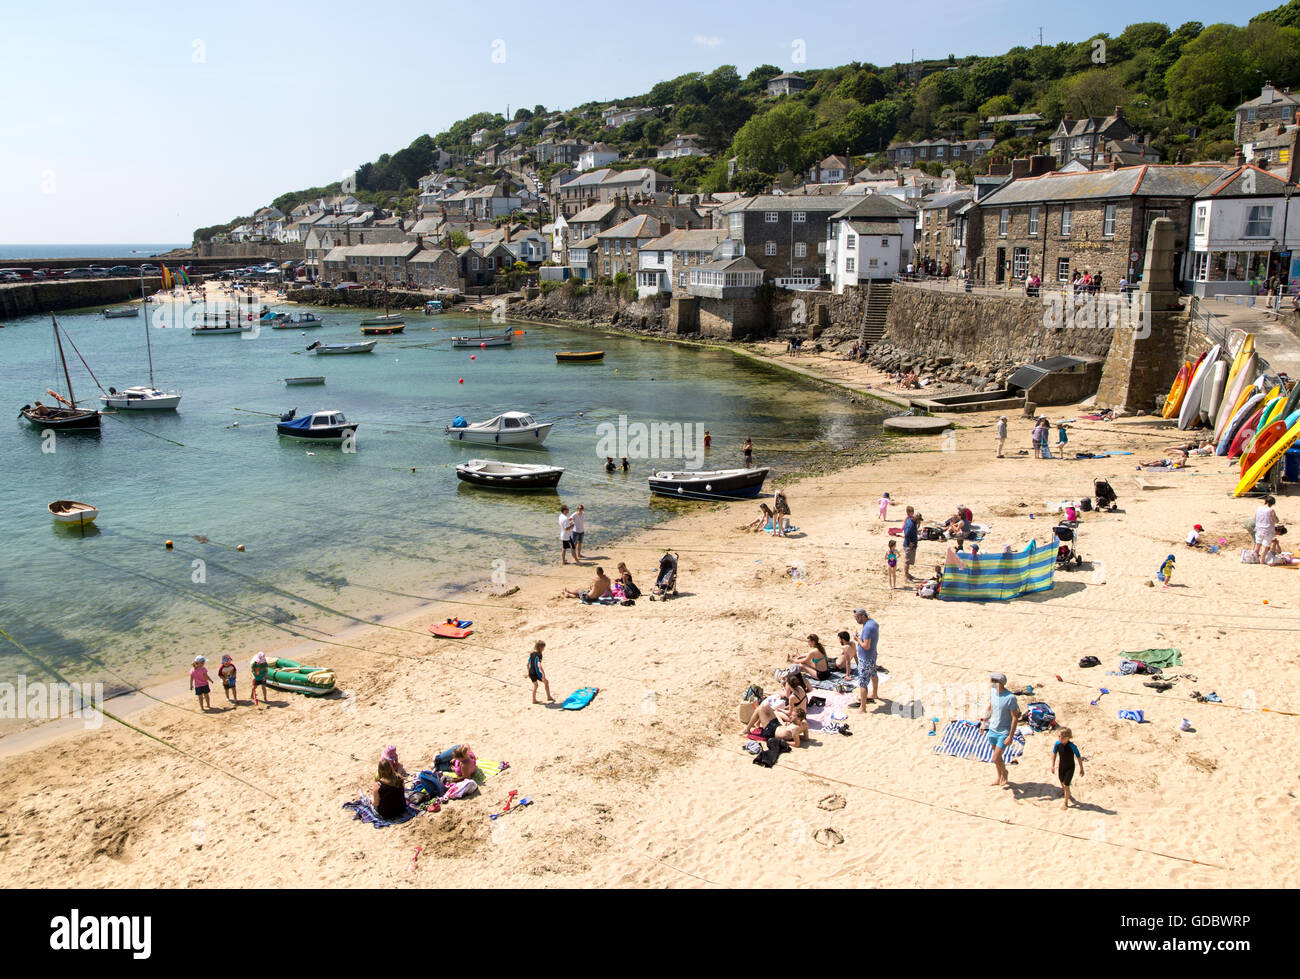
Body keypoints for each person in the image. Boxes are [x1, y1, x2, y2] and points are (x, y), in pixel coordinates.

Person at [982, 673, 1020, 787]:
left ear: (999, 683)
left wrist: (1011, 736)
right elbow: (991, 706)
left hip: (1004, 732)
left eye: (993, 681)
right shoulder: (993, 692)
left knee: (995, 758)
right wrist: (984, 722)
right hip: (993, 729)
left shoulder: (1010, 698)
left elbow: (1015, 717)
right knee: (997, 758)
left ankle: (1005, 772)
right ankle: (999, 777)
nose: (991, 683)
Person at [1051, 727, 1084, 810]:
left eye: (1062, 737)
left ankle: (1065, 803)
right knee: (1061, 780)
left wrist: (1081, 768)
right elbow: (1054, 754)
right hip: (1061, 766)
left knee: (1066, 785)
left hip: (1070, 767)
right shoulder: (1057, 744)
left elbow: (1078, 757)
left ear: (1068, 738)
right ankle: (1065, 791)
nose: (1060, 739)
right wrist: (1052, 765)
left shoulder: (1072, 746)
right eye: (1059, 737)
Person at [852, 609, 879, 710]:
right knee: (873, 674)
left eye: (857, 617)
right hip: (872, 655)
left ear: (863, 616)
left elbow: (866, 646)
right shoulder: (873, 623)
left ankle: (862, 708)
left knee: (862, 683)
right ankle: (875, 694)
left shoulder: (867, 627)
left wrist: (857, 639)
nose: (856, 619)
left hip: (866, 657)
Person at [527, 640, 553, 704]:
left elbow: (527, 664)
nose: (543, 649)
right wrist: (543, 674)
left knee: (535, 686)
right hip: (536, 672)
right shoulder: (539, 655)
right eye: (543, 648)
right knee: (546, 682)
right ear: (541, 648)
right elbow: (539, 665)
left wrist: (528, 673)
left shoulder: (531, 654)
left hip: (531, 672)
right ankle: (549, 696)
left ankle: (534, 700)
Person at [1254, 495, 1278, 560]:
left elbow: (1255, 518)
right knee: (1265, 545)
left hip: (1258, 528)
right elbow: (1275, 520)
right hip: (1268, 530)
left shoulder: (1258, 508)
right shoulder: (1271, 510)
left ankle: (1254, 558)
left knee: (1258, 543)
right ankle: (1262, 560)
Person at [902, 506, 919, 582]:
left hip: (911, 544)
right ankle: (906, 575)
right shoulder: (910, 524)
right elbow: (907, 534)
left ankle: (907, 573)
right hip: (908, 545)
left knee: (909, 560)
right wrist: (910, 543)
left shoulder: (912, 521)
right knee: (907, 561)